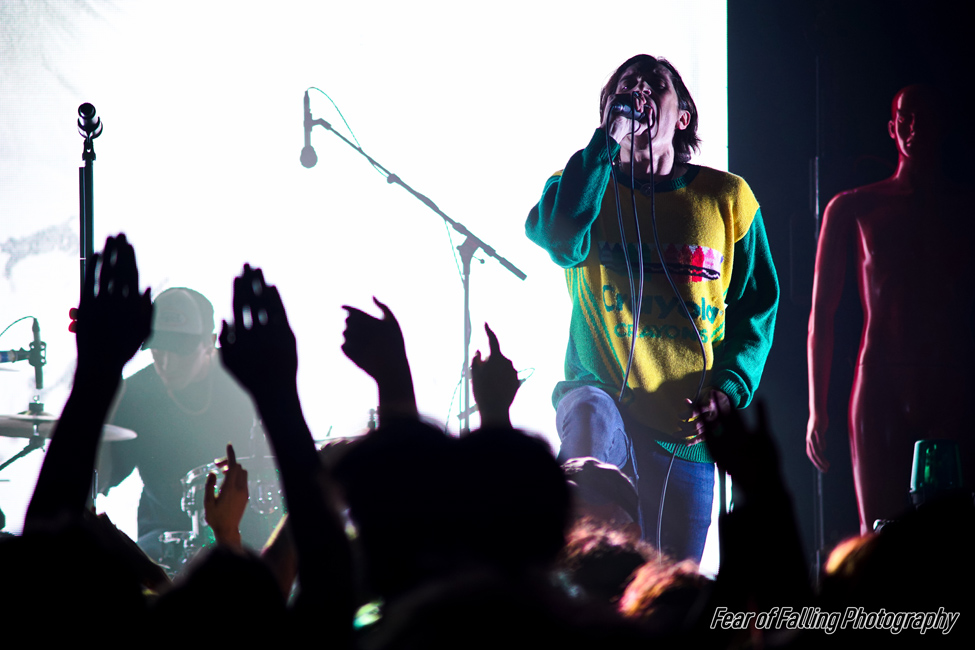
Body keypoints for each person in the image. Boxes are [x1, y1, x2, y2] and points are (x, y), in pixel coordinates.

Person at [525, 54, 778, 562]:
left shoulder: (727, 198)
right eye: (625, 84)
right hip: (600, 399)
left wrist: (730, 389)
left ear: (682, 116)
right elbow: (558, 237)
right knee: (592, 558)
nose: (637, 88)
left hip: (682, 429)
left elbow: (757, 308)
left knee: (667, 594)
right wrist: (605, 145)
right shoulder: (580, 183)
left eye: (654, 83)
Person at [807, 85, 975, 533]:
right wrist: (816, 408)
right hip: (879, 383)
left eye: (922, 117)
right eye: (905, 118)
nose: (913, 128)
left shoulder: (965, 209)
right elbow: (821, 314)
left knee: (949, 536)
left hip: (947, 383)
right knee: (877, 538)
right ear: (891, 128)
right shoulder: (853, 207)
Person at [101, 287, 271, 558]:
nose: (168, 362)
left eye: (181, 350)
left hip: (248, 532)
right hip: (164, 533)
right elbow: (102, 477)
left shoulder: (244, 383)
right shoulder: (135, 394)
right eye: (159, 349)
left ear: (210, 341)